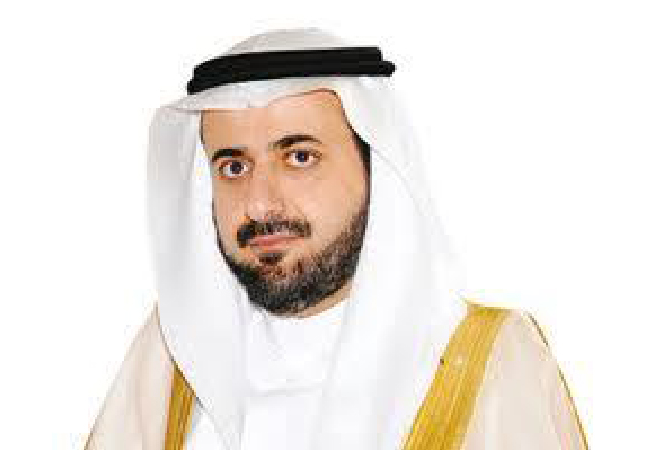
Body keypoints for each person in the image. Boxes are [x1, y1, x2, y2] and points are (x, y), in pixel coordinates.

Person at [84, 28, 589, 450]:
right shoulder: (170, 358)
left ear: (377, 170)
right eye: (234, 166)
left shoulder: (488, 360)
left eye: (299, 157)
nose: (259, 203)